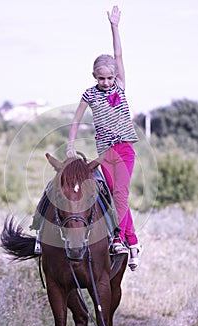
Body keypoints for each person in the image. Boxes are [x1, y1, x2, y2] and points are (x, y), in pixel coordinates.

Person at [66, 5, 143, 271]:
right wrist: (70, 145)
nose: (107, 82)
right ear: (94, 77)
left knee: (121, 192)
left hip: (124, 149)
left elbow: (118, 54)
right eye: (102, 78)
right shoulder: (89, 94)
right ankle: (133, 240)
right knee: (112, 194)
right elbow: (75, 120)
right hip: (104, 152)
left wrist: (114, 26)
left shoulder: (120, 86)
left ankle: (119, 240)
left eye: (110, 77)